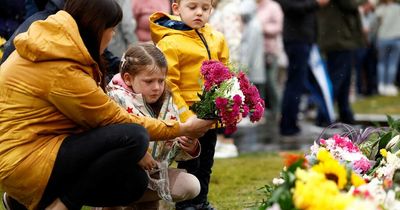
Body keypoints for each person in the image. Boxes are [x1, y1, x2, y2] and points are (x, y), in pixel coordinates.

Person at [0, 0, 215, 209]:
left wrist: (184, 141)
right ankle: (62, 205)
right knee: (134, 136)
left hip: (28, 152)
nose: (113, 36)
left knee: (134, 182)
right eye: (111, 29)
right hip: (24, 159)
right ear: (96, 27)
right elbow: (114, 121)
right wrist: (183, 128)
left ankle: (27, 201)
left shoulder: (55, 45)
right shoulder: (61, 65)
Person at [149, 0, 229, 209]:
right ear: (176, 8)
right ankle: (187, 205)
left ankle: (201, 202)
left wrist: (226, 103)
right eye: (192, 7)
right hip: (186, 119)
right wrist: (186, 118)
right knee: (189, 162)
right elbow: (169, 83)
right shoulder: (170, 42)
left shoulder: (217, 38)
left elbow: (226, 72)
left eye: (205, 8)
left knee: (206, 162)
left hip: (210, 115)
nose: (199, 13)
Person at [104, 43, 202, 209]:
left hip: (153, 175)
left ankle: (142, 200)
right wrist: (137, 154)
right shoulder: (113, 99)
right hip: (118, 176)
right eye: (148, 81)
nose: (156, 87)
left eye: (161, 81)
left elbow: (168, 151)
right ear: (128, 78)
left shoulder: (167, 101)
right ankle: (109, 203)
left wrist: (188, 147)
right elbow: (107, 142)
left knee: (191, 185)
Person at [277, 0, 330, 135]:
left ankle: (291, 123)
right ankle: (288, 125)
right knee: (295, 83)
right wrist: (316, 4)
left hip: (303, 38)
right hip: (297, 39)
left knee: (297, 83)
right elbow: (290, 7)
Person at [317, 0, 368, 124]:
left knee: (344, 80)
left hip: (341, 40)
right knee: (337, 80)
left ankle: (345, 116)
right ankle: (323, 117)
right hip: (339, 40)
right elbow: (350, 4)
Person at [375, 0, 400, 96]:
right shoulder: (398, 8)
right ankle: (389, 85)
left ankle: (381, 85)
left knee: (381, 63)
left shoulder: (381, 9)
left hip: (383, 38)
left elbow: (376, 21)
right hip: (396, 38)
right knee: (392, 63)